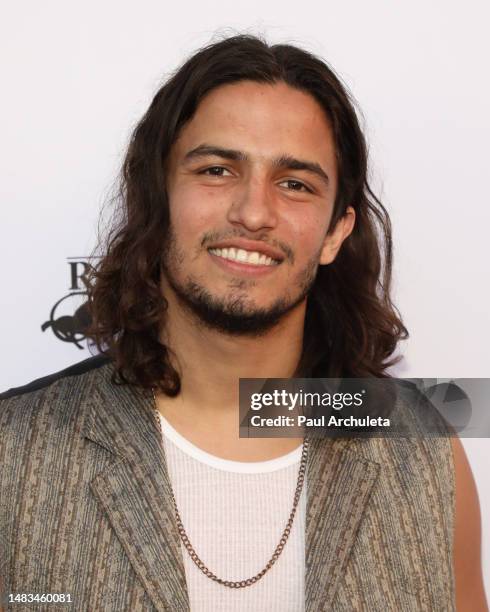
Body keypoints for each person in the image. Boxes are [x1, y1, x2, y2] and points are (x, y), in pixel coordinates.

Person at [0, 34, 487, 612]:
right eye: (216, 170)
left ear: (336, 231)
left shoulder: (423, 448)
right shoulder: (15, 452)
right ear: (158, 197)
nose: (254, 212)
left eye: (295, 184)